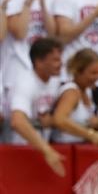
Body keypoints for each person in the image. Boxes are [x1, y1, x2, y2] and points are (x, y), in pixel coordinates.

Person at [5, 37, 65, 176]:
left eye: (60, 58)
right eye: (55, 60)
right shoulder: (25, 82)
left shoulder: (55, 81)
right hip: (19, 151)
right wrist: (47, 150)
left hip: (39, 149)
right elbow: (17, 121)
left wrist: (52, 118)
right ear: (39, 62)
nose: (60, 64)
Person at [51, 49, 98, 145]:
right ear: (78, 71)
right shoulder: (71, 92)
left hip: (80, 146)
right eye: (93, 73)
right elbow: (59, 120)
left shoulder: (87, 91)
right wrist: (91, 135)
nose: (97, 77)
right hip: (65, 147)